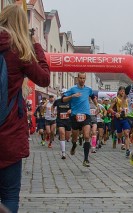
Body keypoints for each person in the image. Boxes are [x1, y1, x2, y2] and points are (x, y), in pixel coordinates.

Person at [0, 5, 50, 213]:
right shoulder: (20, 51)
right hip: (9, 132)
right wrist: (37, 45)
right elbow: (44, 78)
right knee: (10, 194)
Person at [62, 72, 97, 167]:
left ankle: (86, 159)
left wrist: (97, 106)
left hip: (86, 115)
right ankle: (74, 145)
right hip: (75, 116)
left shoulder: (88, 89)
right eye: (80, 78)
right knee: (74, 137)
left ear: (85, 79)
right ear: (77, 78)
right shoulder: (72, 89)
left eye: (83, 78)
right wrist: (72, 96)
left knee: (86, 136)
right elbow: (63, 99)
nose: (82, 80)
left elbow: (93, 97)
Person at [109, 86, 131, 157]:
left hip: (125, 118)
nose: (122, 92)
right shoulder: (115, 99)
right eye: (121, 91)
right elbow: (110, 109)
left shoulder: (127, 99)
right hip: (118, 119)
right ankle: (116, 134)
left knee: (127, 133)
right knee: (120, 135)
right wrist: (115, 113)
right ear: (118, 91)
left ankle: (127, 149)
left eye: (124, 91)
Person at [52, 89, 71, 159]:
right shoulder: (57, 101)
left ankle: (63, 139)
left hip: (68, 121)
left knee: (67, 137)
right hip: (60, 120)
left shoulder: (70, 101)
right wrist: (53, 112)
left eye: (65, 94)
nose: (64, 95)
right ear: (61, 94)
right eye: (63, 94)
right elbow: (53, 107)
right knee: (62, 133)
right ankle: (63, 153)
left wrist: (71, 110)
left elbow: (75, 108)